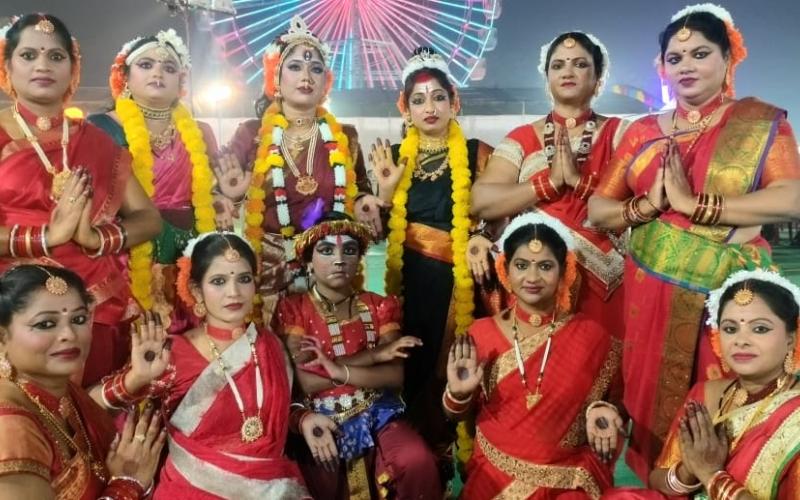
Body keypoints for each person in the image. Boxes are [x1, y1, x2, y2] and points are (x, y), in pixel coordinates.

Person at [587, 4, 800, 479]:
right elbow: (599, 210)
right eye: (675, 58)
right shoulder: (641, 131)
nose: (686, 66)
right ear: (662, 67)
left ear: (728, 60)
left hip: (727, 298)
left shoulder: (760, 124)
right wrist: (646, 207)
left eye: (700, 54)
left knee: (727, 408)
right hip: (651, 296)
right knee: (653, 424)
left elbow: (790, 198)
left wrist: (695, 205)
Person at [0, 13, 163, 385]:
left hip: (95, 307)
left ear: (73, 68)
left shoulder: (97, 141)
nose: (43, 65)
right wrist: (45, 237)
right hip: (13, 308)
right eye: (28, 55)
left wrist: (96, 238)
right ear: (7, 65)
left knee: (97, 419)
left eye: (56, 57)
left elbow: (148, 219)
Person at [369, 48, 493, 465]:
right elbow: (374, 233)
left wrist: (481, 237)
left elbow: (499, 219)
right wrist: (384, 197)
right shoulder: (394, 157)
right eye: (419, 99)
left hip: (460, 287)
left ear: (454, 101)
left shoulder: (479, 154)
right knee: (413, 368)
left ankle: (464, 462)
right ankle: (419, 469)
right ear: (405, 107)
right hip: (410, 284)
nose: (430, 107)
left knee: (455, 368)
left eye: (438, 96)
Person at [214, 15, 382, 323]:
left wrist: (363, 203)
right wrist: (230, 195)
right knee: (272, 352)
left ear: (325, 83)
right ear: (274, 80)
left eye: (316, 68)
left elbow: (360, 191)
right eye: (294, 66)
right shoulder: (252, 133)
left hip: (329, 262)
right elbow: (217, 189)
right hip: (268, 265)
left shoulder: (345, 136)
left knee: (327, 347)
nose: (306, 75)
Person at [444, 212, 622, 499]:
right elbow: (455, 415)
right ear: (505, 270)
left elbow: (615, 407)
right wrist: (457, 394)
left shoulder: (593, 337)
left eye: (545, 266)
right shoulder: (482, 333)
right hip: (493, 478)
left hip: (566, 480)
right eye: (522, 265)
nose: (532, 277)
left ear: (565, 271)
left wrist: (602, 411)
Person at [128, 231, 308, 498]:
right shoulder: (172, 352)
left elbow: (279, 411)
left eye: (244, 279)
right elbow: (121, 416)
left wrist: (303, 418)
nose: (234, 293)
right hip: (190, 489)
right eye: (219, 281)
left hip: (272, 488)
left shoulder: (270, 345)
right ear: (196, 290)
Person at [470, 31, 626, 339]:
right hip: (535, 279)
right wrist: (549, 183)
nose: (567, 71)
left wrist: (579, 182)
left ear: (598, 78)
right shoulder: (522, 138)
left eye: (580, 64)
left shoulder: (622, 134)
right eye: (558, 66)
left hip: (609, 284)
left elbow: (644, 203)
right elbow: (481, 201)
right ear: (547, 78)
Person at [276, 212, 441, 499]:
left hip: (378, 412)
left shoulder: (378, 305)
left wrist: (336, 370)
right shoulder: (294, 309)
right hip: (318, 415)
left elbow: (394, 376)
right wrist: (375, 355)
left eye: (349, 250)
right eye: (327, 250)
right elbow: (307, 381)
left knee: (416, 460)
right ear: (307, 260)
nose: (340, 259)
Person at [607, 269, 800, 498]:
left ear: (792, 338)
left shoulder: (794, 415)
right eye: (730, 329)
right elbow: (657, 479)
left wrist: (710, 474)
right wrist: (688, 470)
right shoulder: (708, 395)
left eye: (760, 329)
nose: (741, 340)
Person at [88, 29, 217, 330]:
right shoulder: (102, 128)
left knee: (190, 333)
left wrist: (230, 196)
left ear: (180, 83)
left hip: (189, 250)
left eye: (169, 68)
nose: (158, 72)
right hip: (128, 252)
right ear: (124, 77)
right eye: (146, 65)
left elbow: (213, 195)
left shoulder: (200, 132)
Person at [0, 265, 166, 499]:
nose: (69, 334)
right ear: (2, 337)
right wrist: (127, 486)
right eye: (46, 324)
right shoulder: (9, 428)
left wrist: (136, 378)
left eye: (78, 319)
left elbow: (80, 410)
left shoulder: (47, 386)